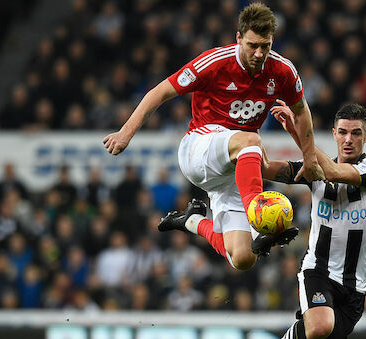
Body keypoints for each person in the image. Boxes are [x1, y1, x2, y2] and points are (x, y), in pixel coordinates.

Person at [102, 3, 325, 270]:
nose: (258, 53)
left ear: (272, 41)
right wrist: (126, 133)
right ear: (238, 37)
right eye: (252, 44)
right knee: (252, 141)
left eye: (265, 46)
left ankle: (192, 221)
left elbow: (301, 111)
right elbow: (161, 91)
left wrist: (310, 160)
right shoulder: (215, 63)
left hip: (233, 168)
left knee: (242, 259)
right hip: (199, 147)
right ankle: (259, 213)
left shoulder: (282, 71)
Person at [264, 101, 366, 339]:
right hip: (318, 270)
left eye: (356, 133)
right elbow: (267, 168)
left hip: (355, 287)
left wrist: (297, 131)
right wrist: (242, 152)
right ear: (334, 134)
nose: (348, 139)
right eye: (342, 132)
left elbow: (333, 172)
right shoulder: (312, 169)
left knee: (318, 334)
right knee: (320, 327)